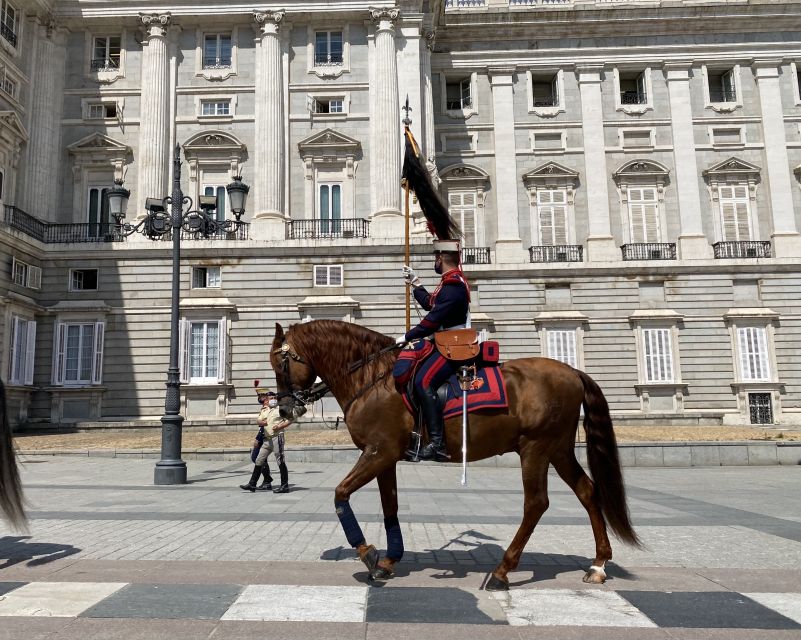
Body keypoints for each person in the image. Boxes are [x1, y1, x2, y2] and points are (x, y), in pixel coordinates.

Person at [400, 239, 471, 461]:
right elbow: (432, 302)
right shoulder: (449, 283)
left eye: (435, 258)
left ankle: (437, 443)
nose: (435, 261)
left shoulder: (454, 286)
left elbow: (432, 320)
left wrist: (406, 336)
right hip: (446, 341)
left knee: (423, 381)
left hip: (454, 344)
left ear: (440, 259)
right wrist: (416, 283)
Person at [240, 388, 292, 493]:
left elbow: (289, 420)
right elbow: (259, 420)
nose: (273, 400)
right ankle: (252, 483)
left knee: (280, 460)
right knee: (259, 459)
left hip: (277, 437)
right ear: (267, 400)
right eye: (271, 398)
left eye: (274, 398)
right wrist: (261, 422)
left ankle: (284, 485)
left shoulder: (281, 409)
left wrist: (280, 426)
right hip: (267, 440)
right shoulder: (265, 410)